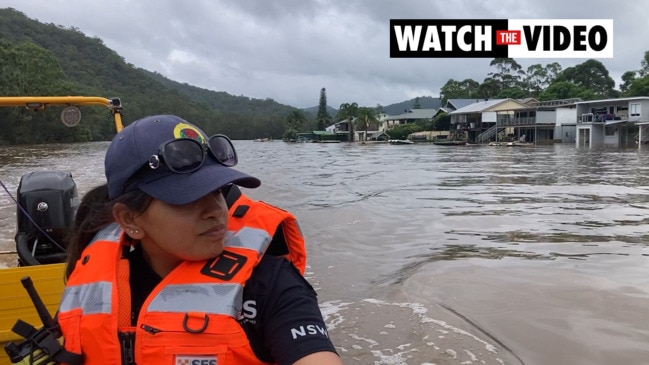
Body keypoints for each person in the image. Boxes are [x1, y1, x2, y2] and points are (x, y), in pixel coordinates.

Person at [59, 115, 344, 365]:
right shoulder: (94, 283)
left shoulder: (268, 284)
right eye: (188, 198)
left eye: (219, 191)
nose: (216, 211)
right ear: (130, 219)